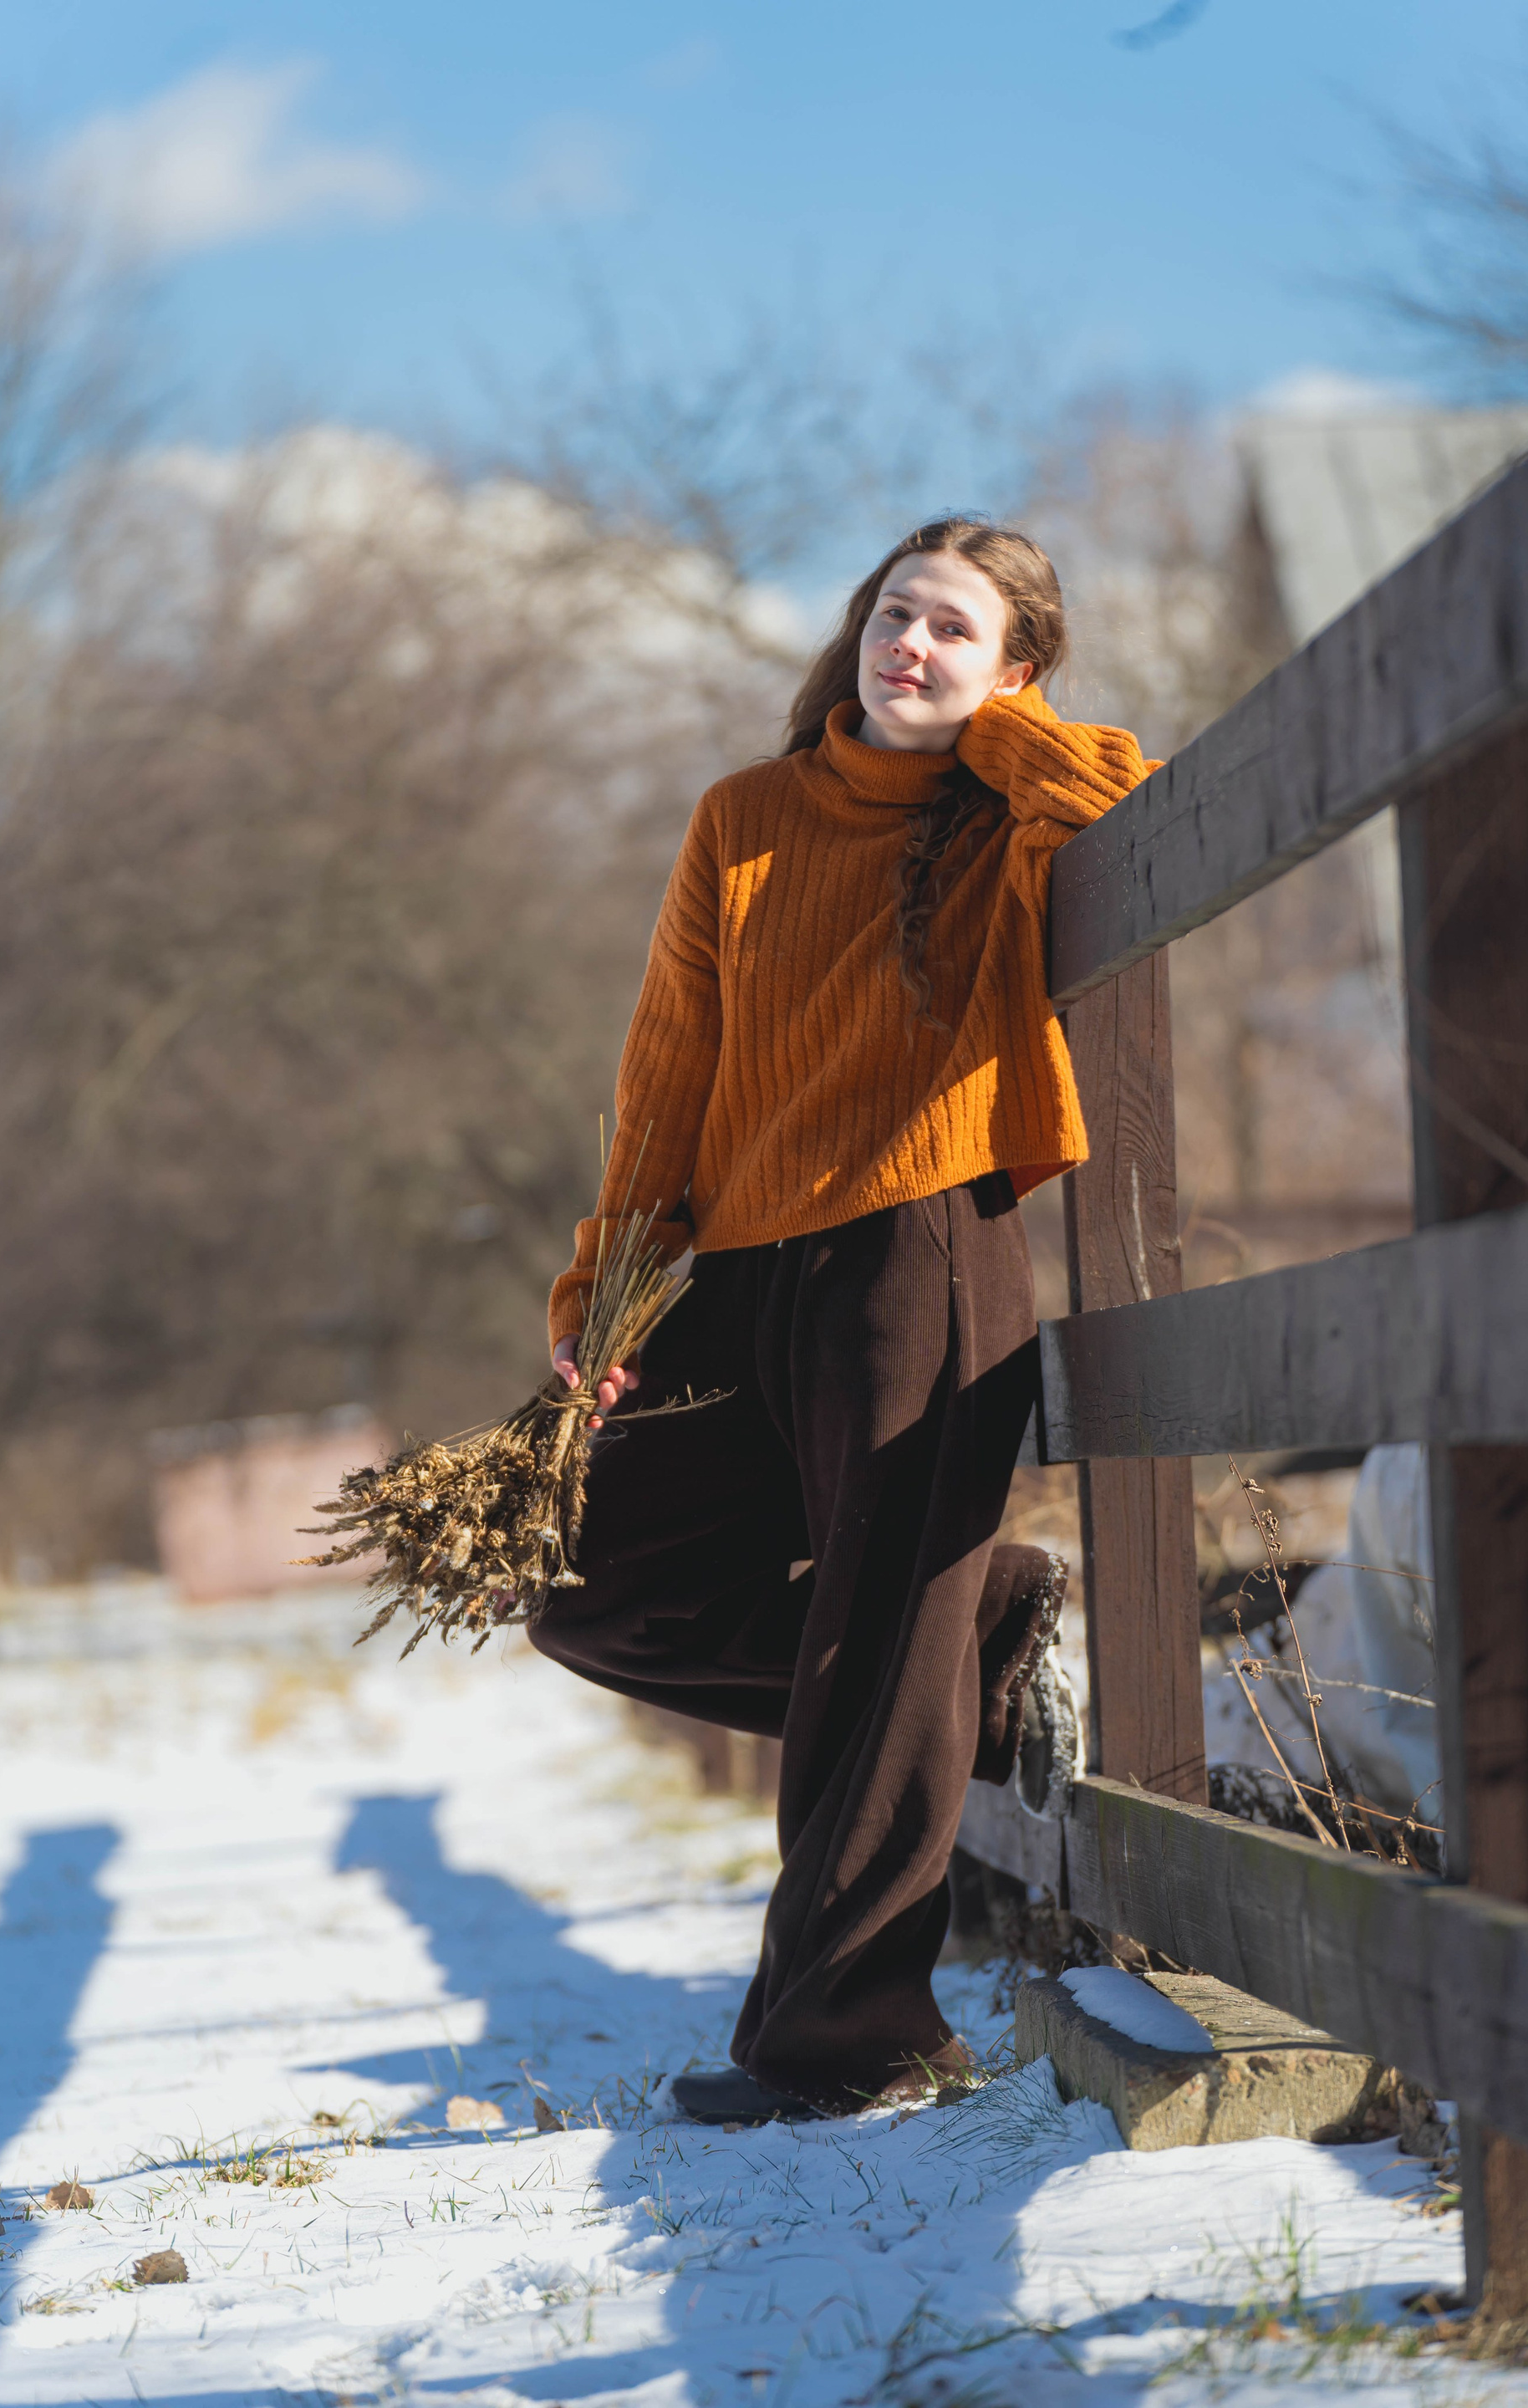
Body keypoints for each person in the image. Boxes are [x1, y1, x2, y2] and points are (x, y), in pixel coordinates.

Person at [530, 517, 1153, 2122]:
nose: (910, 647)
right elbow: (667, 1067)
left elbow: (1123, 801)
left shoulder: (1004, 810)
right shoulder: (744, 817)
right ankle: (982, 1636)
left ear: (1015, 670)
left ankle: (854, 2044)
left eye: (954, 630)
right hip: (740, 1274)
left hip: (919, 1248)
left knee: (877, 1640)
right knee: (588, 1584)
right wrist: (611, 1286)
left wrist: (997, 731)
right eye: (893, 613)